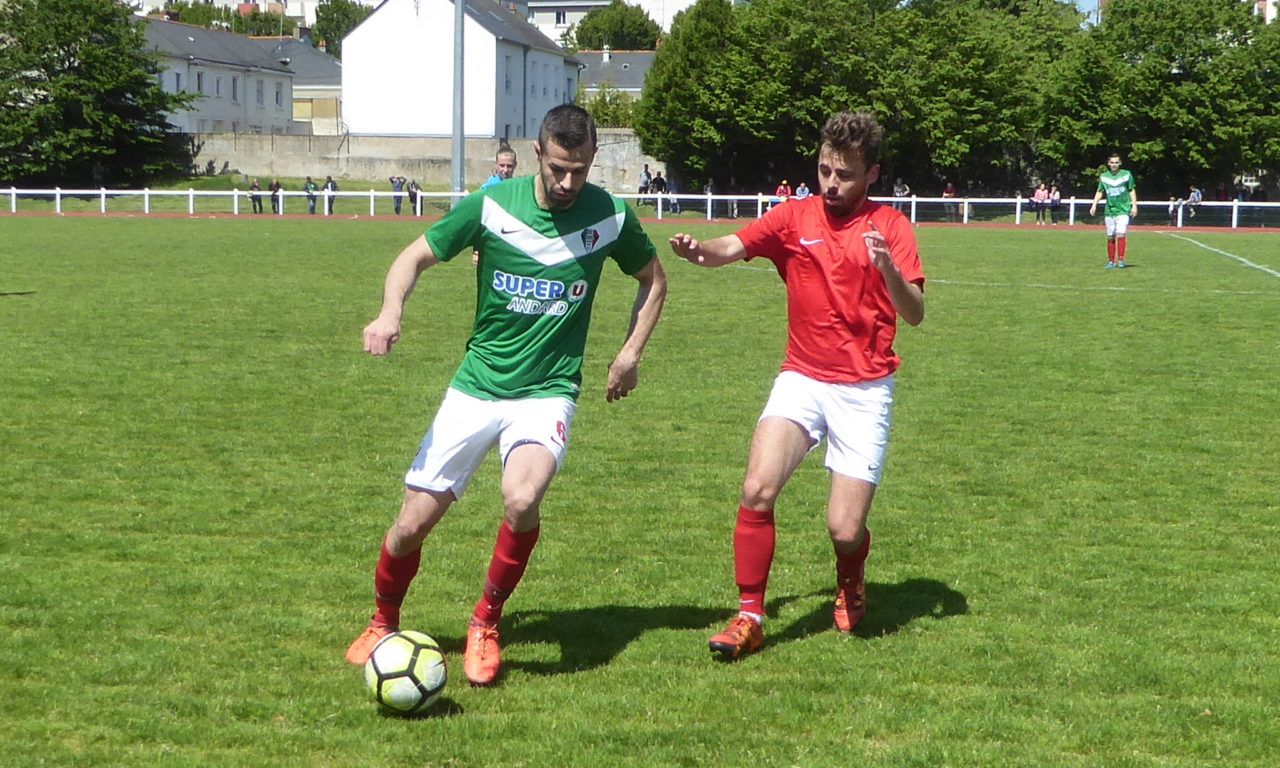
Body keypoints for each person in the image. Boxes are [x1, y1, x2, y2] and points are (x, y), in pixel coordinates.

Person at [344, 104, 668, 687]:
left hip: (547, 391)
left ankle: (485, 622)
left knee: (521, 499)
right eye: (559, 169)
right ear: (538, 155)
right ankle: (381, 620)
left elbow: (653, 279)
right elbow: (413, 256)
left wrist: (629, 353)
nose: (569, 183)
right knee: (410, 526)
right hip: (477, 385)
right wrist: (390, 312)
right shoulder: (492, 204)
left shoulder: (611, 216)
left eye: (581, 171)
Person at [668, 110, 925, 661]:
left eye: (845, 174)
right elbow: (731, 246)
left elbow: (917, 312)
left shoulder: (893, 229)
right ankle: (750, 617)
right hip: (802, 377)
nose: (831, 183)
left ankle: (851, 578)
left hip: (864, 389)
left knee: (843, 528)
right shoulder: (793, 217)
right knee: (757, 488)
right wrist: (699, 251)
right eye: (825, 170)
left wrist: (890, 273)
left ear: (871, 175)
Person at [1089, 153, 1137, 269]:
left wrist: (1134, 205)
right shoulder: (1104, 177)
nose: (1114, 165)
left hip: (1123, 210)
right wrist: (1094, 205)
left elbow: (1131, 190)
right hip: (1110, 211)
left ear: (1120, 163)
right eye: (1112, 163)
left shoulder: (1126, 175)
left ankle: (1120, 260)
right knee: (1111, 236)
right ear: (1109, 163)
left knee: (1121, 233)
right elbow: (1100, 191)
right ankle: (1111, 261)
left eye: (1116, 162)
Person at [475, 147, 519, 264]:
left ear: (515, 165)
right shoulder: (488, 188)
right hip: (491, 239)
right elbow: (478, 219)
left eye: (509, 166)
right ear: (496, 165)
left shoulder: (517, 187)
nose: (505, 170)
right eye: (502, 165)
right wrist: (477, 248)